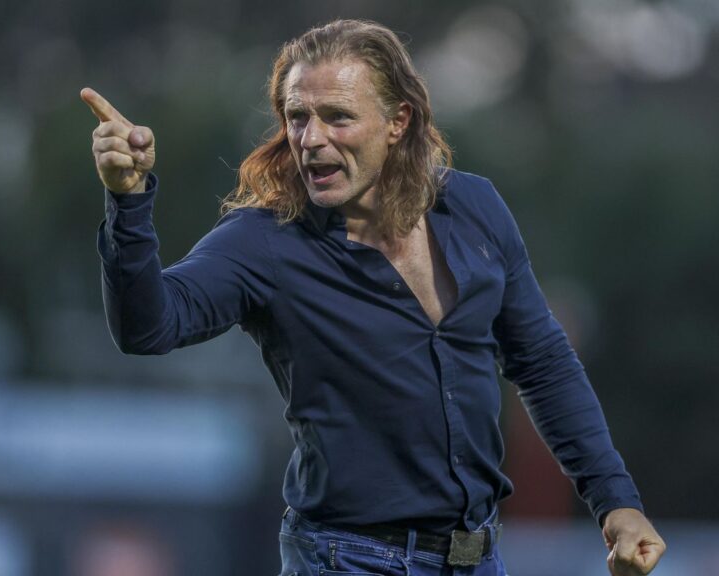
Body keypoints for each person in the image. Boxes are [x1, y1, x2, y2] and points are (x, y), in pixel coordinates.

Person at [83, 19, 664, 576]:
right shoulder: (263, 241)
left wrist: (616, 502)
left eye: (337, 117)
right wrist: (128, 201)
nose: (311, 139)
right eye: (297, 117)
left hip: (478, 558)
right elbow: (148, 327)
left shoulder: (476, 208)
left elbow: (543, 363)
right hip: (345, 559)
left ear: (397, 121)